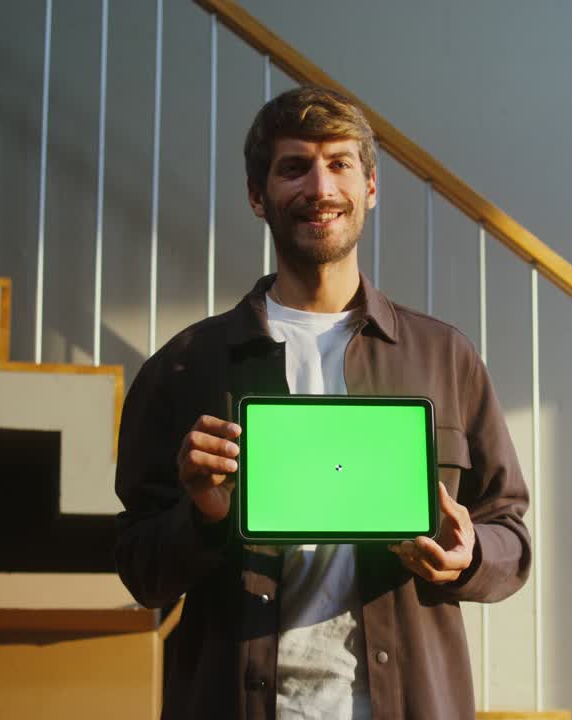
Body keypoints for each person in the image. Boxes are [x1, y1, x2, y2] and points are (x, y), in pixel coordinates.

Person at [114, 86, 531, 719]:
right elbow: (141, 571)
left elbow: (511, 534)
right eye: (294, 167)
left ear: (370, 188)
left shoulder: (446, 357)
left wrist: (469, 553)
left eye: (339, 163)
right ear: (258, 196)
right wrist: (201, 516)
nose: (320, 186)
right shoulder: (183, 367)